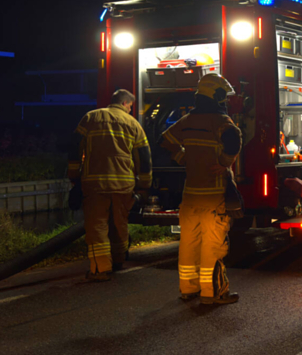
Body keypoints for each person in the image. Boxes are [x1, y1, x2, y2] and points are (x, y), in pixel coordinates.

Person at [160, 73, 243, 305]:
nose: (225, 100)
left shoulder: (186, 121)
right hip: (213, 196)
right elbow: (234, 140)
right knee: (213, 245)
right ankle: (213, 292)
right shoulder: (222, 122)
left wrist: (182, 157)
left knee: (189, 242)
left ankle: (188, 288)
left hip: (190, 196)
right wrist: (225, 162)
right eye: (223, 96)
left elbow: (164, 140)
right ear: (216, 96)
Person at [67, 88, 152, 281]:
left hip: (94, 184)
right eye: (130, 106)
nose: (130, 110)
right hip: (124, 185)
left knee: (97, 226)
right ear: (124, 103)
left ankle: (100, 269)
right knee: (119, 224)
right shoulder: (134, 124)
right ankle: (119, 259)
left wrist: (74, 174)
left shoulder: (90, 118)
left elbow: (74, 147)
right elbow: (144, 157)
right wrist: (144, 185)